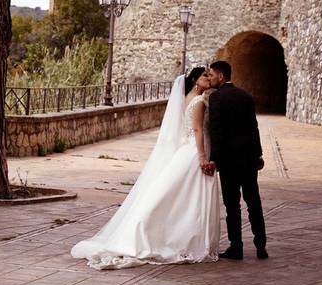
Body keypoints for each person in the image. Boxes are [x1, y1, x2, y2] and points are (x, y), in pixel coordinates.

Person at [70, 67, 220, 270]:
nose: (208, 78)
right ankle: (177, 237)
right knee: (189, 197)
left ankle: (170, 233)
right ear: (195, 80)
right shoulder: (199, 101)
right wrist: (202, 157)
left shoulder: (187, 98)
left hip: (185, 150)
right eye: (204, 76)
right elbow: (197, 129)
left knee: (177, 196)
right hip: (194, 152)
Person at [205, 60, 269, 260]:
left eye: (212, 75)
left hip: (229, 161)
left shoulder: (216, 98)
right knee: (253, 202)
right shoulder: (246, 96)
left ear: (221, 76)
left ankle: (236, 247)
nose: (211, 78)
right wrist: (258, 154)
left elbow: (216, 131)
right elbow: (254, 128)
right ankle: (261, 246)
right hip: (249, 159)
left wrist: (214, 158)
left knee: (232, 206)